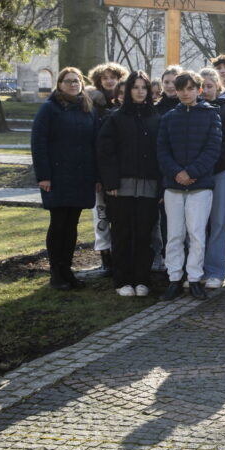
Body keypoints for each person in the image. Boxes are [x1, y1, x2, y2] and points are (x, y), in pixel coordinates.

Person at [157, 70, 223, 301]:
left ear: (199, 90)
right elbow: (162, 151)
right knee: (174, 235)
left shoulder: (211, 115)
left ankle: (194, 278)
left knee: (196, 234)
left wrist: (191, 172)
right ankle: (175, 278)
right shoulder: (168, 117)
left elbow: (213, 149)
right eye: (181, 89)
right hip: (173, 186)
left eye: (190, 88)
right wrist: (177, 173)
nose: (185, 93)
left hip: (200, 185)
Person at [32, 67, 97, 291]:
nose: (72, 84)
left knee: (72, 225)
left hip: (81, 176)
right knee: (58, 224)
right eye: (68, 81)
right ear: (59, 84)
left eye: (76, 81)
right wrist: (44, 176)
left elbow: (94, 144)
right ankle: (56, 272)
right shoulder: (49, 109)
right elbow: (38, 143)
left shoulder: (87, 108)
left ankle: (67, 270)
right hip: (57, 177)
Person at [96, 71, 160, 297]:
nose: (140, 91)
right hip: (120, 187)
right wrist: (110, 181)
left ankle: (142, 279)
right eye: (136, 87)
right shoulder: (115, 118)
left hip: (149, 187)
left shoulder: (156, 118)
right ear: (128, 90)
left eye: (144, 87)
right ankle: (122, 280)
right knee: (122, 235)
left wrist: (161, 186)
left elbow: (160, 154)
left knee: (144, 235)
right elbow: (105, 153)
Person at [86, 62, 130, 278]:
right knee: (101, 215)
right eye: (105, 78)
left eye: (113, 77)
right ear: (99, 81)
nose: (109, 81)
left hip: (124, 172)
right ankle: (105, 256)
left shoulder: (128, 105)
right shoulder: (95, 107)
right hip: (101, 172)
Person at [199, 68, 225, 290]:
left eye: (209, 86)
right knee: (197, 225)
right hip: (197, 174)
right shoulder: (192, 110)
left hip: (220, 172)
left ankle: (216, 270)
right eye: (202, 86)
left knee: (218, 222)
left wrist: (209, 166)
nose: (205, 90)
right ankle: (198, 269)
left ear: (218, 87)